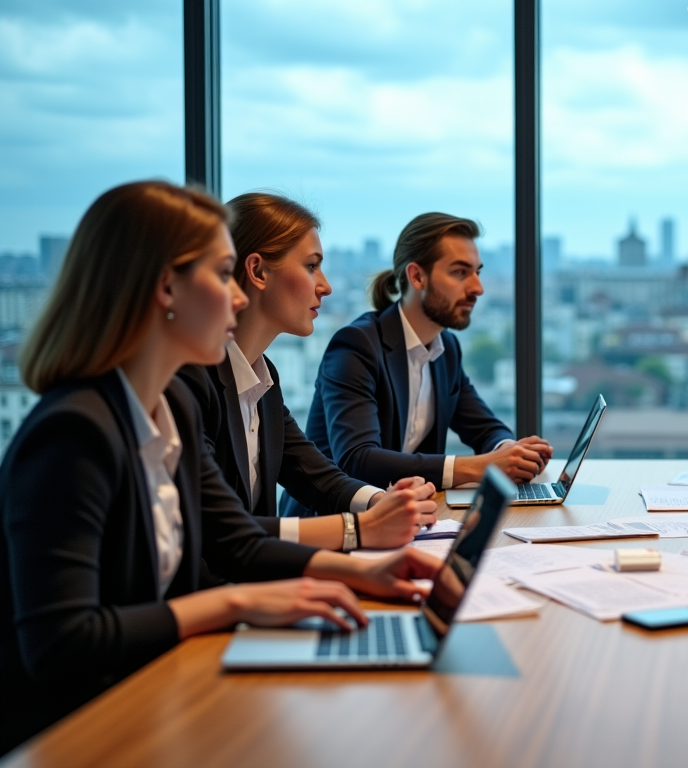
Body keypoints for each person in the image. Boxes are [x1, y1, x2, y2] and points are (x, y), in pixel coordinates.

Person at [0, 181, 443, 754]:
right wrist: (239, 602)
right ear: (166, 288)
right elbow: (62, 648)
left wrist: (365, 574)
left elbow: (236, 541)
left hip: (160, 691)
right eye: (220, 274)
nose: (236, 298)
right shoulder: (73, 432)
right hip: (84, 730)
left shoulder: (171, 406)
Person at [177, 193, 438, 552]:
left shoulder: (263, 377)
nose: (326, 286)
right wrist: (358, 529)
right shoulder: (191, 382)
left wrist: (380, 504)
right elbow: (217, 528)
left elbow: (317, 477)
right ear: (257, 271)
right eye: (312, 266)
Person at [289, 212, 552, 515]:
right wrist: (479, 466)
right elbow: (358, 459)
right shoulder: (357, 346)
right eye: (459, 272)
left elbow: (485, 428)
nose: (477, 287)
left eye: (477, 272)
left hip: (406, 518)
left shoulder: (446, 348)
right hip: (331, 526)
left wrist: (508, 451)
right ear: (416, 276)